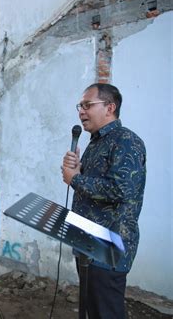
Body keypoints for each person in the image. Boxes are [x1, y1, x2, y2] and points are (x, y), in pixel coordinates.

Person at [62, 83, 146, 319]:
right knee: (94, 311)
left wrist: (76, 179)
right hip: (87, 243)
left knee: (106, 313)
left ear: (110, 107)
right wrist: (77, 171)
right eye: (80, 106)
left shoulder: (126, 140)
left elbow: (122, 189)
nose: (81, 111)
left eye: (88, 105)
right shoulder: (96, 143)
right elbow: (93, 186)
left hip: (109, 247)